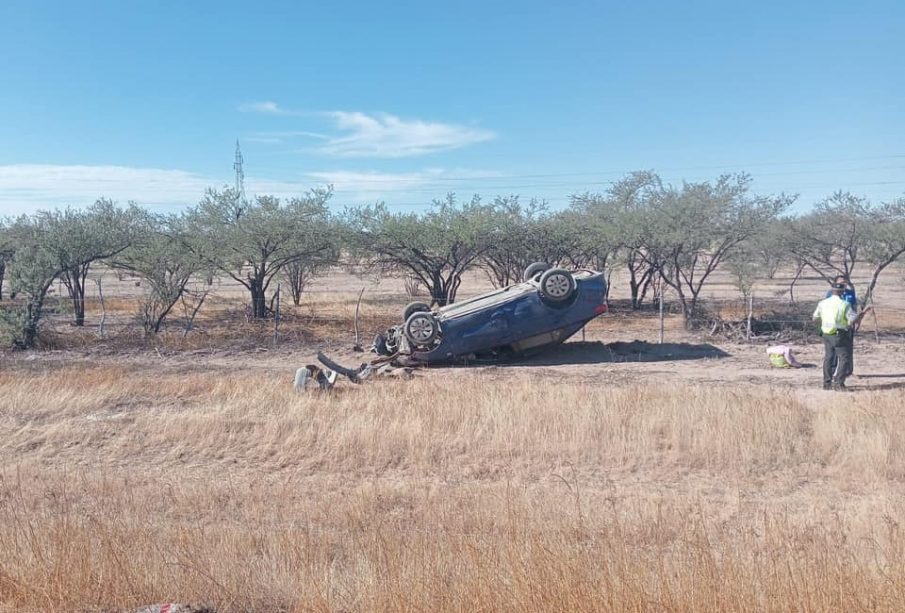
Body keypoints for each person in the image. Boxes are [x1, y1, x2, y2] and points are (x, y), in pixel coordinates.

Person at [813, 282, 857, 391]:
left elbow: (815, 318)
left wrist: (821, 327)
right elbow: (852, 319)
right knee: (844, 358)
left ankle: (826, 384)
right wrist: (849, 325)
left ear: (831, 291)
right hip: (840, 334)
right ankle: (839, 383)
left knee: (829, 358)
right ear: (842, 292)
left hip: (826, 334)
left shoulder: (822, 303)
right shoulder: (844, 304)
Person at [823, 275, 858, 378]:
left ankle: (848, 371)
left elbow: (854, 307)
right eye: (841, 282)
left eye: (845, 282)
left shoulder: (851, 293)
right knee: (832, 353)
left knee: (848, 350)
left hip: (849, 325)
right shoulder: (830, 294)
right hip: (835, 327)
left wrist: (856, 323)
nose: (843, 284)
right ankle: (833, 372)